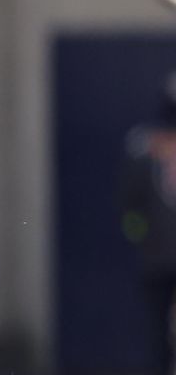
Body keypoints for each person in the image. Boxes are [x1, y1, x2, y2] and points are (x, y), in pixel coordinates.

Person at [119, 74, 176, 375]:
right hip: (157, 259)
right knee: (158, 335)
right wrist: (142, 236)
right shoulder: (144, 152)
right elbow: (131, 208)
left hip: (157, 255)